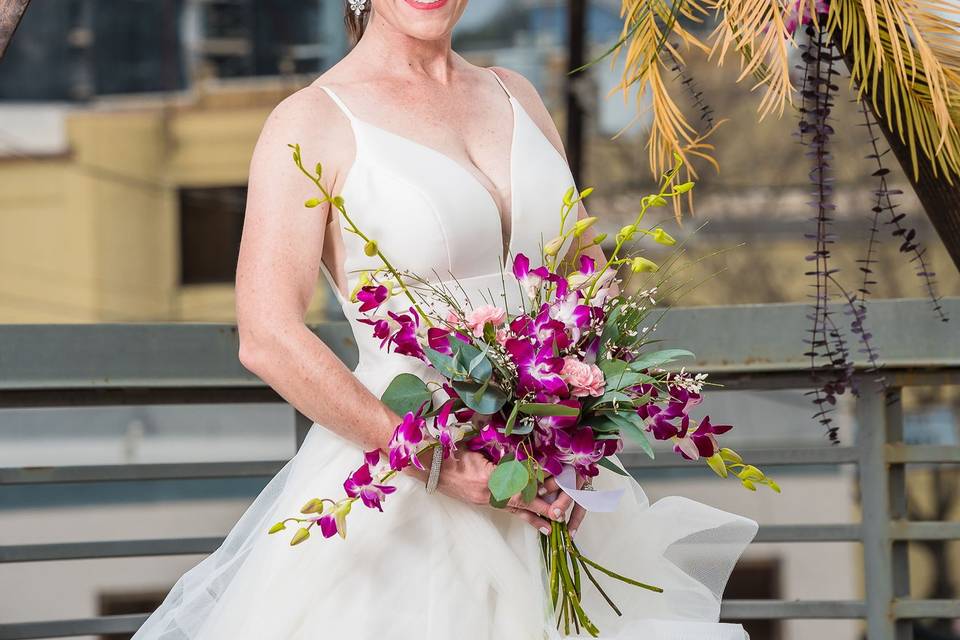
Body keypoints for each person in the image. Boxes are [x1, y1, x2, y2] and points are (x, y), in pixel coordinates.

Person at [133, 1, 757, 638]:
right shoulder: (310, 121)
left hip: (550, 480)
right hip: (405, 499)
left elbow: (582, 269)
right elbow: (267, 336)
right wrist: (437, 460)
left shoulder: (516, 93)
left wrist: (575, 428)